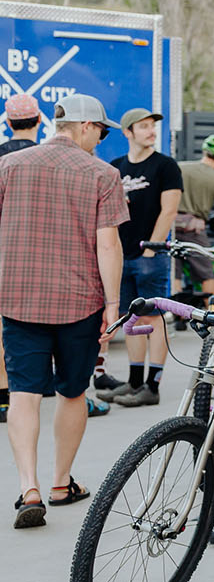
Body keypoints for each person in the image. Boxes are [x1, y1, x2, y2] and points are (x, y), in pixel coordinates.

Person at [0, 95, 126, 526]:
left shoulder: (9, 167)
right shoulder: (103, 175)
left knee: (23, 394)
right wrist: (113, 306)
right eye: (102, 131)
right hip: (79, 303)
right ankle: (60, 481)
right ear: (86, 126)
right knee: (72, 392)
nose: (102, 140)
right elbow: (107, 243)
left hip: (18, 298)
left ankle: (28, 487)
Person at [107, 108, 182, 407]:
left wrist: (152, 246)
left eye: (153, 126)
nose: (151, 131)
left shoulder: (165, 166)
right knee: (131, 318)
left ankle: (153, 384)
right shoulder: (115, 168)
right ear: (128, 132)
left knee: (153, 318)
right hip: (121, 256)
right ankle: (135, 381)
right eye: (144, 126)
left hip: (150, 255)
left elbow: (169, 210)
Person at [0, 95, 41, 422]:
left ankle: (4, 393)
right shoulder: (45, 158)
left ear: (8, 122)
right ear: (39, 120)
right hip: (40, 254)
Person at [176, 135, 214, 297]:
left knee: (175, 272)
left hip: (172, 226)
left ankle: (174, 315)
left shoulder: (181, 167)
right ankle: (211, 313)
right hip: (194, 229)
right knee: (206, 273)